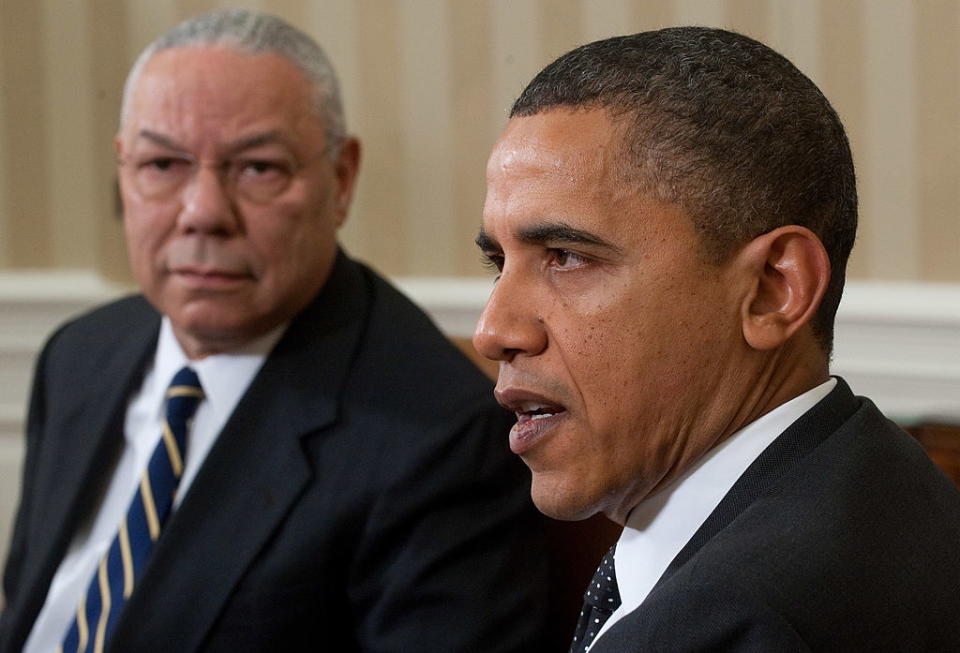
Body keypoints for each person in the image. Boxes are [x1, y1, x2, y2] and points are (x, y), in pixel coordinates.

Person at [0, 9, 551, 653]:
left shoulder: (439, 439)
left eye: (257, 167)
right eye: (162, 164)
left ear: (340, 179)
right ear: (123, 169)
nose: (203, 213)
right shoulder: (79, 355)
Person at [473, 27, 960, 652]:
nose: (494, 330)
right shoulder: (876, 478)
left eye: (566, 257)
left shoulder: (734, 626)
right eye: (498, 263)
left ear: (771, 290)